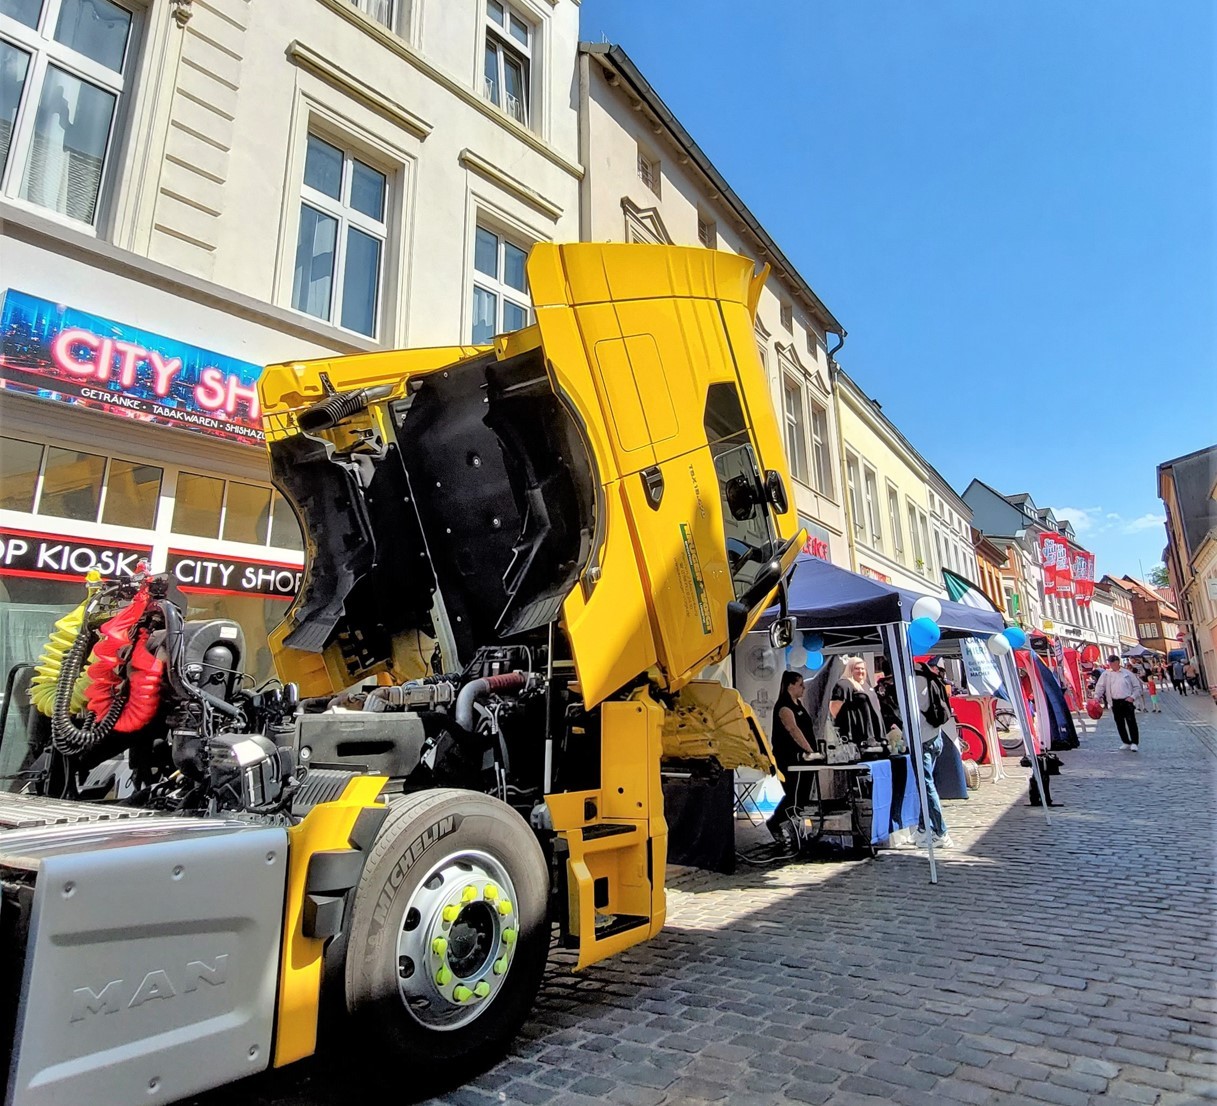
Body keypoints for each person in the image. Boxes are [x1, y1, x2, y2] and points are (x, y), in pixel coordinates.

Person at [905, 659, 954, 848]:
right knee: (926, 784)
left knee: (926, 786)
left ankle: (942, 832)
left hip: (922, 739)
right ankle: (923, 828)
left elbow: (909, 711)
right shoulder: (930, 677)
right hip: (935, 736)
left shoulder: (911, 682)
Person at [767, 670, 816, 855]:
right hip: (789, 757)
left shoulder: (799, 704)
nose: (803, 688)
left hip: (804, 759)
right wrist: (809, 750)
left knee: (803, 795)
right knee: (793, 794)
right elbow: (793, 730)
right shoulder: (784, 707)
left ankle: (794, 827)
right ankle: (777, 821)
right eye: (800, 685)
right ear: (790, 686)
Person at [829, 656, 885, 752]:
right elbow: (834, 707)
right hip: (859, 738)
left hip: (875, 735)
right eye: (857, 668)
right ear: (850, 669)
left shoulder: (865, 685)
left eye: (862, 668)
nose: (860, 671)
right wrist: (848, 723)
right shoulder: (844, 684)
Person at [1093, 654, 1145, 750]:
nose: (1112, 666)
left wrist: (1132, 697)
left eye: (1114, 663)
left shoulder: (1127, 673)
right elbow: (1100, 686)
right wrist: (1097, 696)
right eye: (1111, 664)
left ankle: (1134, 742)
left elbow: (1137, 687)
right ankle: (1125, 741)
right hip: (1114, 701)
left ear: (1118, 662)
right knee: (1119, 722)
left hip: (1127, 701)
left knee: (1131, 722)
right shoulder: (1106, 674)